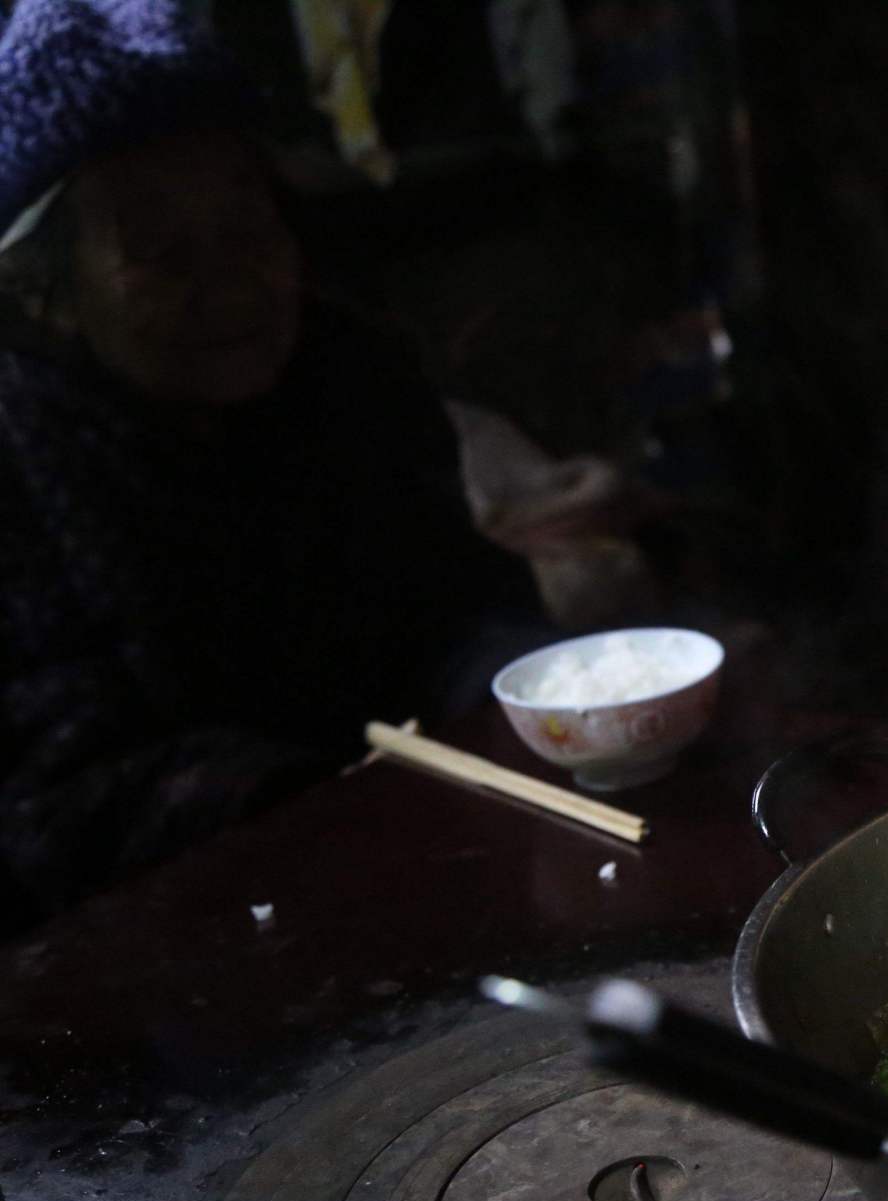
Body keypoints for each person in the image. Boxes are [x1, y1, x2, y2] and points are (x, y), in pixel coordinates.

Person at [0, 0, 549, 930]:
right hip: (152, 948)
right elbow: (52, 796)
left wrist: (519, 695)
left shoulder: (356, 374)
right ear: (49, 291)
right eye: (161, 253)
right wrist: (329, 801)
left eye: (248, 228)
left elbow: (460, 603)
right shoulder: (19, 458)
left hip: (429, 860)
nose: (229, 283)